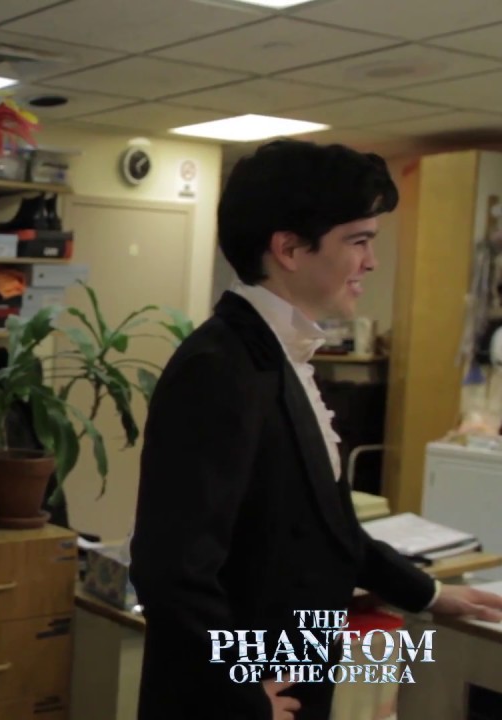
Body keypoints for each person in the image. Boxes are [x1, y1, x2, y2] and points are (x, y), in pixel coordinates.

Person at [129, 139, 502, 720]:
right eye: (359, 241)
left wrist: (430, 595)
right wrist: (237, 695)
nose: (371, 261)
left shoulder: (280, 354)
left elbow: (331, 530)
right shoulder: (219, 366)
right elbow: (171, 568)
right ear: (289, 249)